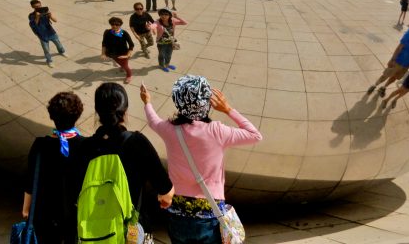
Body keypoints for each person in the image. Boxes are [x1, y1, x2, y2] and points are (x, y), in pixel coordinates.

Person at [141, 76, 261, 244]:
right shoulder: (218, 131)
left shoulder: (170, 130)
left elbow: (153, 121)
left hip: (177, 214)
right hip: (210, 215)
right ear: (208, 102)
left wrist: (147, 102)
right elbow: (255, 135)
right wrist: (228, 109)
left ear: (178, 101)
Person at [75, 83, 174, 239]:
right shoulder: (137, 142)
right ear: (125, 111)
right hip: (131, 231)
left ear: (97, 111)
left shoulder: (84, 147)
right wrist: (164, 200)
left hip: (93, 234)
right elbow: (166, 191)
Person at [22, 92, 85, 244]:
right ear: (77, 115)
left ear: (52, 116)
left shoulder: (40, 144)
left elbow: (30, 180)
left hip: (44, 215)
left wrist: (26, 208)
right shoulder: (85, 145)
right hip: (74, 215)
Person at [29, 0, 66, 68]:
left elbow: (55, 20)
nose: (38, 7)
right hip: (42, 34)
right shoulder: (31, 15)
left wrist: (50, 15)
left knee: (58, 43)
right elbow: (34, 25)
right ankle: (49, 61)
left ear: (41, 4)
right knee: (46, 49)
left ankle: (62, 51)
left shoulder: (45, 12)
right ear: (32, 7)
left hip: (51, 32)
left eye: (39, 6)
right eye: (36, 7)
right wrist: (37, 17)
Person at [102, 17, 136, 84]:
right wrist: (103, 53)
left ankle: (129, 75)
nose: (114, 26)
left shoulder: (124, 33)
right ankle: (122, 66)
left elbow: (131, 45)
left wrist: (127, 55)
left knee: (126, 66)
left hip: (123, 54)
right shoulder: (107, 32)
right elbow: (104, 43)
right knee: (120, 63)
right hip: (112, 53)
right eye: (112, 24)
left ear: (120, 25)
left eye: (117, 25)